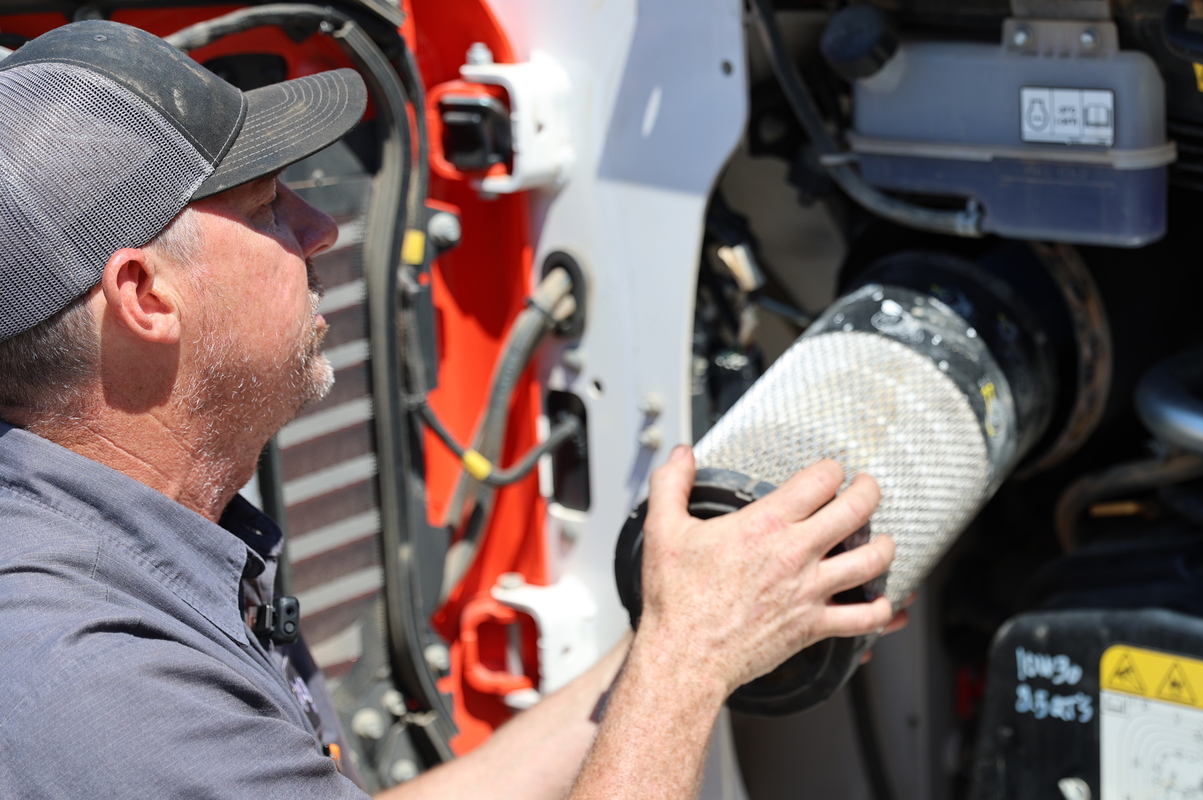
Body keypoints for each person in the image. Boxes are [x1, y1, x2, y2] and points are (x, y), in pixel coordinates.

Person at [0, 20, 897, 799]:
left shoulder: (96, 556)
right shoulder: (100, 691)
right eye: (271, 205)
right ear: (145, 296)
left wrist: (708, 621)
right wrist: (689, 658)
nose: (322, 230)